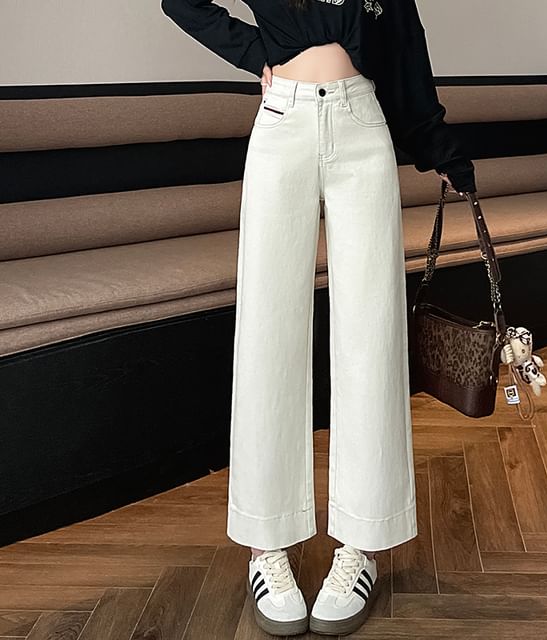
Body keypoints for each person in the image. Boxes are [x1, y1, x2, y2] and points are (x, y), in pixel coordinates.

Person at [160, 0, 476, 636]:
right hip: (283, 122)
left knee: (371, 334)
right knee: (268, 333)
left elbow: (405, 48)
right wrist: (257, 52)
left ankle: (362, 541)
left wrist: (439, 146)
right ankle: (266, 542)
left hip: (362, 122)